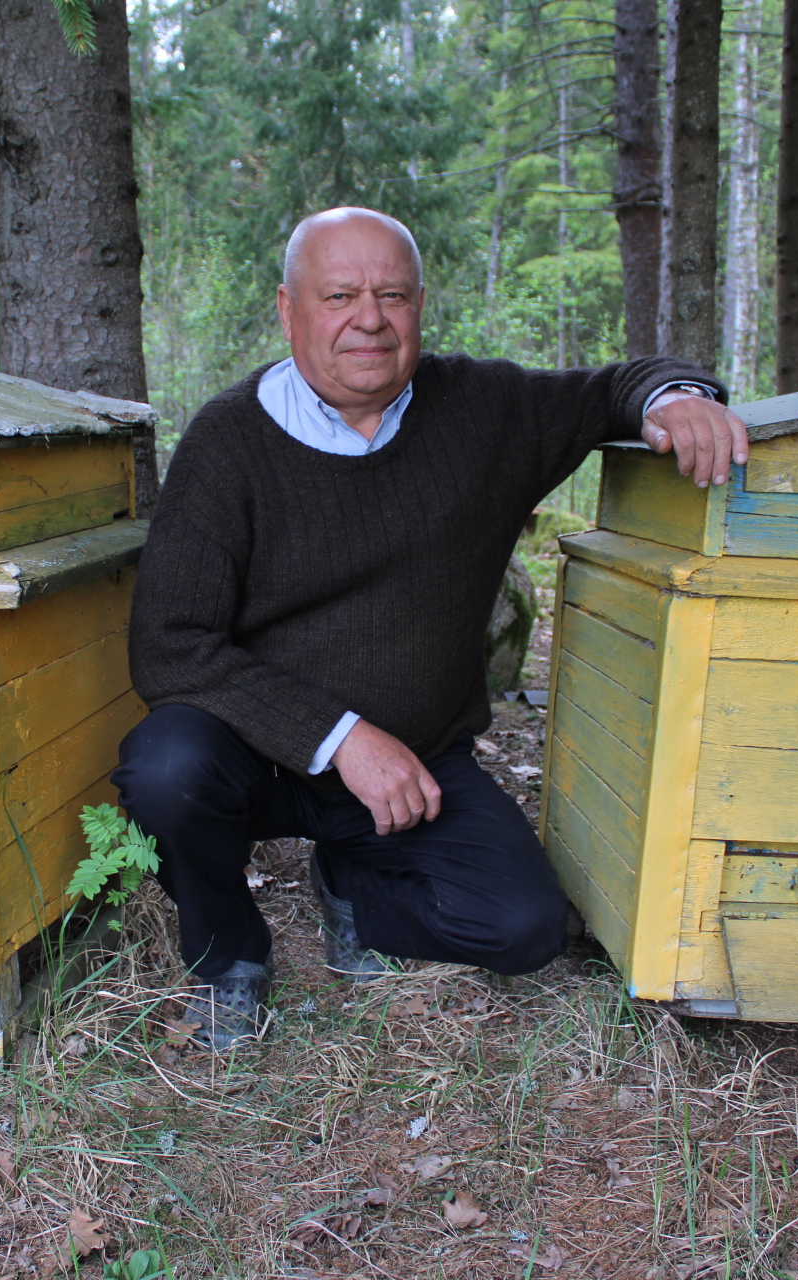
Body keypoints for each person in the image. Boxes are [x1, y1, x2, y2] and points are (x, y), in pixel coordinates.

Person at [114, 207, 748, 1048]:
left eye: (393, 295)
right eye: (339, 294)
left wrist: (679, 398)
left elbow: (611, 389)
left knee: (520, 928)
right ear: (288, 309)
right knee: (165, 767)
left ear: (420, 306)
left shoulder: (483, 410)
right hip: (256, 758)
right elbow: (169, 644)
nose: (368, 318)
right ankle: (227, 958)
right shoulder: (229, 441)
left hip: (416, 767)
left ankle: (351, 887)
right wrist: (339, 737)